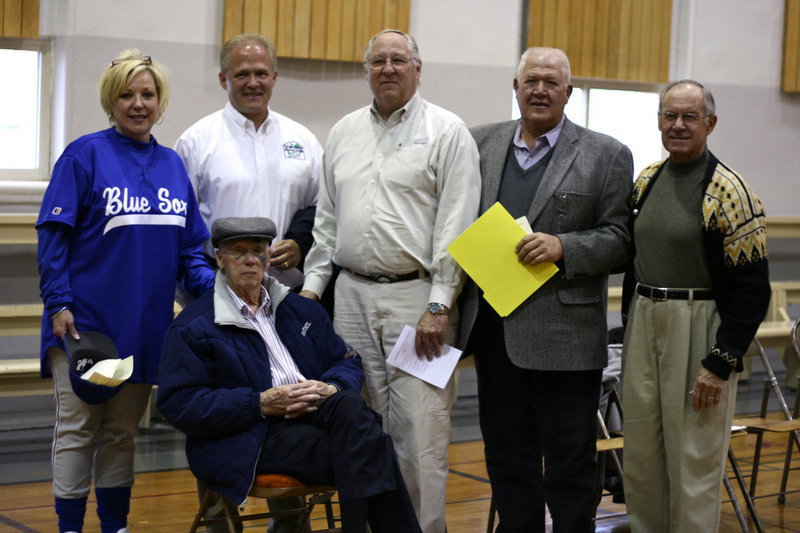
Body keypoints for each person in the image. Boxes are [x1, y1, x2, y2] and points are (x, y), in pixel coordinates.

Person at [298, 29, 480, 532]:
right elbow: (327, 222)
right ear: (366, 71)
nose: (388, 69)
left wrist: (440, 303)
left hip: (418, 301)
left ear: (418, 68)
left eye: (399, 60)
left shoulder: (447, 131)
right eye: (378, 61)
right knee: (360, 433)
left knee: (419, 437)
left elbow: (456, 224)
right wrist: (312, 290)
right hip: (351, 299)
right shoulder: (343, 132)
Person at [36, 50, 215, 533]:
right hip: (85, 326)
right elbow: (53, 237)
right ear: (110, 101)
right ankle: (70, 527)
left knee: (120, 435)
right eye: (127, 95)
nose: (138, 104)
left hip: (144, 331)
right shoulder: (83, 155)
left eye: (148, 94)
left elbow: (191, 252)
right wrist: (59, 303)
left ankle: (116, 525)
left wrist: (219, 293)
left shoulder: (173, 166)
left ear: (160, 102)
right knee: (78, 432)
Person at [459, 47, 633, 532]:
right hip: (495, 337)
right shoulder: (478, 144)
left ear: (568, 93)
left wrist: (564, 246)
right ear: (515, 88)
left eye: (551, 82)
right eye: (530, 80)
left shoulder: (607, 153)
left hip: (567, 341)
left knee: (570, 469)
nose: (540, 90)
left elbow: (620, 239)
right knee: (508, 464)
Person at [157, 217, 422, 533]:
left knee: (348, 408)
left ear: (269, 258)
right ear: (220, 258)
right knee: (372, 445)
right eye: (239, 252)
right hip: (251, 436)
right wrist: (258, 403)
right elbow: (179, 404)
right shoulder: (194, 325)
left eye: (258, 251)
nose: (250, 260)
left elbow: (347, 360)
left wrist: (331, 386)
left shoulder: (301, 310)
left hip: (317, 419)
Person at [620, 79, 770, 532]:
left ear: (710, 123)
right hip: (645, 320)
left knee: (694, 457)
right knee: (642, 452)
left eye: (689, 116)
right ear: (659, 122)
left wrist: (721, 361)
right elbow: (631, 258)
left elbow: (752, 291)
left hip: (700, 324)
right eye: (670, 116)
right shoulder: (645, 181)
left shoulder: (731, 192)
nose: (678, 125)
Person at [174, 33, 322, 289]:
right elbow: (180, 224)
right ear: (223, 79)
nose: (253, 83)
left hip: (285, 286)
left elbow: (321, 209)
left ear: (274, 77)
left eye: (261, 74)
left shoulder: (304, 140)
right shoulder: (195, 142)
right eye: (242, 75)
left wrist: (300, 243)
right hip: (216, 284)